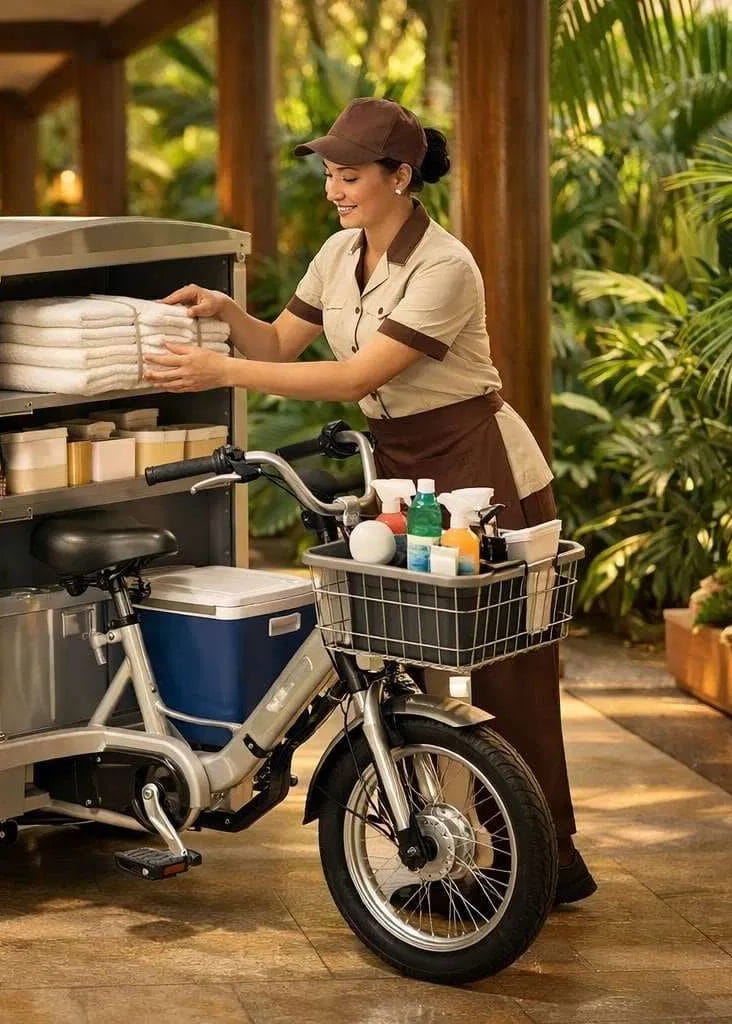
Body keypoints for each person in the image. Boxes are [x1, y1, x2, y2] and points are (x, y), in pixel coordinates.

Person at [146, 97, 595, 906]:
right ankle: (454, 854)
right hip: (403, 470)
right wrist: (229, 316)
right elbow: (279, 342)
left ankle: (543, 858)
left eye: (349, 176)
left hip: (481, 462)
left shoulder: (445, 267)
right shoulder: (337, 254)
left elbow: (356, 377)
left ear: (400, 176)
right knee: (415, 664)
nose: (334, 191)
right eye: (329, 175)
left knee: (508, 672)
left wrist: (224, 372)